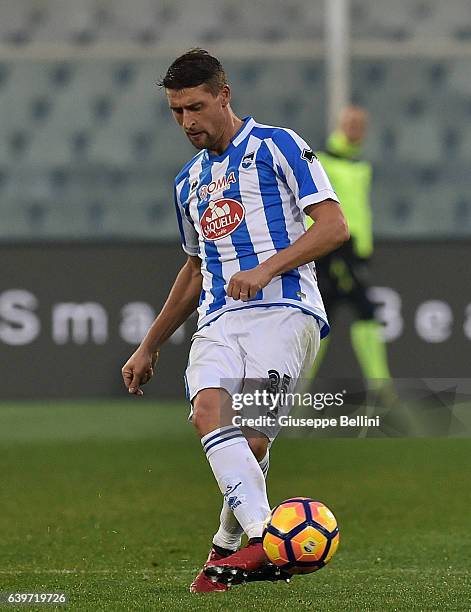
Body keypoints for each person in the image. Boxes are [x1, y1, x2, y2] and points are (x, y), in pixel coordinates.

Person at [121, 49, 349, 593]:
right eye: (176, 112)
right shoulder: (187, 183)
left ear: (224, 95)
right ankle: (267, 541)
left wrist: (265, 268)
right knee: (208, 413)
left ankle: (229, 549)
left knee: (249, 446)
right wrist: (148, 345)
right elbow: (197, 268)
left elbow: (334, 227)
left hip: (286, 312)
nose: (187, 122)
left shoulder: (280, 146)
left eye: (196, 107)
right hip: (218, 321)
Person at [305, 106, 392, 389]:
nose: (356, 129)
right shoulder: (323, 161)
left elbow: (360, 212)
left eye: (360, 125)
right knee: (361, 312)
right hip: (333, 249)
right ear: (339, 126)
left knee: (333, 315)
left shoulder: (360, 165)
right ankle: (382, 387)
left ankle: (296, 389)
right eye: (351, 123)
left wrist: (364, 248)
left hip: (353, 250)